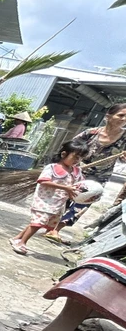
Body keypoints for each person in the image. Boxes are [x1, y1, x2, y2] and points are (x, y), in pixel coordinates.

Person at [47, 102, 126, 241]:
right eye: (121, 115)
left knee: (83, 202)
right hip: (77, 171)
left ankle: (57, 229)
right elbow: (69, 147)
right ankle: (49, 226)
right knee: (64, 198)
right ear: (108, 116)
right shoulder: (91, 133)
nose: (124, 119)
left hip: (100, 177)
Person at [8, 139, 87, 255]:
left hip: (59, 204)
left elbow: (81, 183)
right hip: (45, 201)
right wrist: (66, 188)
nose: (77, 160)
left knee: (38, 223)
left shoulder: (76, 171)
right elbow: (43, 181)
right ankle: (21, 243)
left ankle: (17, 238)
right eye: (75, 157)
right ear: (64, 154)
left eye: (80, 158)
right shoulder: (52, 168)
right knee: (38, 223)